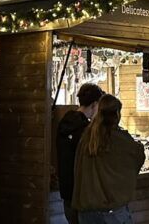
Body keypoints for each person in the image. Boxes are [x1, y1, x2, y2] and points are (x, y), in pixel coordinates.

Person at [73, 94, 145, 224]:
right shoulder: (122, 141)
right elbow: (138, 159)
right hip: (113, 212)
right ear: (117, 114)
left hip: (87, 212)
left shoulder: (86, 138)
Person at [58, 83, 104, 224]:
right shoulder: (86, 130)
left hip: (67, 191)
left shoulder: (63, 123)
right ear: (95, 104)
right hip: (83, 194)